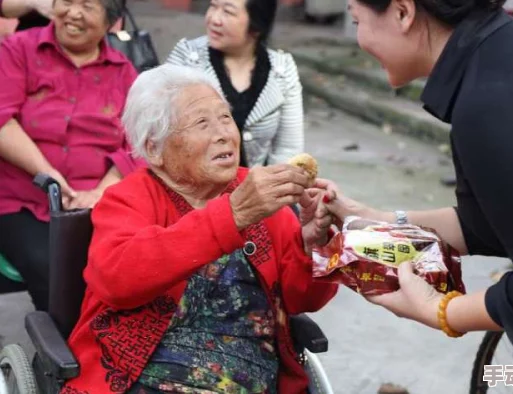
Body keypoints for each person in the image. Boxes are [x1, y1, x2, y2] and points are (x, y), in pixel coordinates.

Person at [321, 0, 513, 392]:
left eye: (356, 20)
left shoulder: (489, 102)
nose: (359, 37)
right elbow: (488, 223)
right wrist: (372, 219)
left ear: (402, 12)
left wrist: (440, 311)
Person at [62, 64, 338, 394]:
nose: (223, 133)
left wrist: (313, 246)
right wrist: (231, 216)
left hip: (248, 377)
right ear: (154, 148)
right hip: (146, 377)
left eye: (225, 118)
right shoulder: (128, 199)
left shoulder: (258, 192)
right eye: (202, 123)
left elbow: (300, 299)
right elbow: (117, 279)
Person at [0, 0, 140, 312]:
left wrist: (99, 193)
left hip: (97, 205)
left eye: (87, 6)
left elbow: (138, 145)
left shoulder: (124, 73)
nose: (73, 13)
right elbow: (1, 119)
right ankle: (68, 354)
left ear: (110, 23)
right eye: (67, 1)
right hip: (21, 199)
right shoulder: (18, 49)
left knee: (130, 266)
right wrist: (48, 174)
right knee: (55, 270)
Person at [165, 0, 304, 168]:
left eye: (228, 12)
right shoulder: (187, 58)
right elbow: (165, 134)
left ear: (257, 24)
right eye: (213, 6)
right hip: (195, 187)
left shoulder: (282, 69)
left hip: (259, 188)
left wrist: (274, 188)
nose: (214, 19)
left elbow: (288, 149)